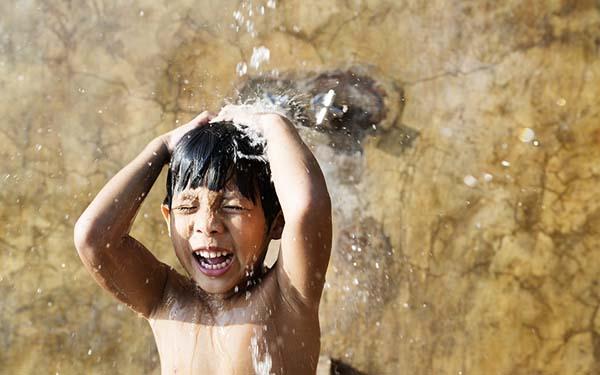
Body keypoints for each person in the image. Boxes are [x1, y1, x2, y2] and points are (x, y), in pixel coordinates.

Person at [73, 106, 332, 374]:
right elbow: (94, 238)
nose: (207, 226)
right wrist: (161, 147)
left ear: (277, 223)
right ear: (168, 218)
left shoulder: (287, 296)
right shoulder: (164, 299)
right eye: (186, 208)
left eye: (232, 207)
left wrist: (273, 124)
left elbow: (307, 209)